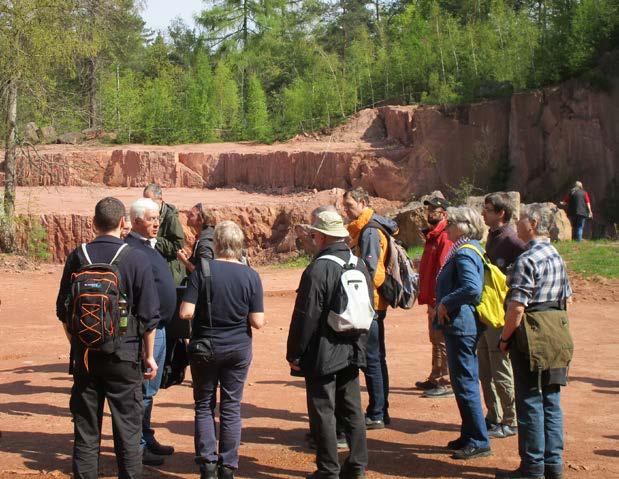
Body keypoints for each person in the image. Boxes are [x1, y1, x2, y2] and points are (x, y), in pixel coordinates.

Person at [55, 197, 160, 479]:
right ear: (123, 224)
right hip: (125, 356)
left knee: (86, 431)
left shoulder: (79, 256)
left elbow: (63, 311)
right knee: (128, 430)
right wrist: (149, 356)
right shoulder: (135, 257)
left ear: (93, 223)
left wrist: (79, 347)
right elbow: (149, 316)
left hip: (86, 357)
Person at [179, 221, 265, 479]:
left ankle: (207, 465)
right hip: (238, 348)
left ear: (216, 244)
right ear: (240, 246)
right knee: (231, 407)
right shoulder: (251, 276)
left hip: (205, 347)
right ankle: (228, 467)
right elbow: (258, 321)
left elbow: (186, 312)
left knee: (204, 405)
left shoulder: (202, 270)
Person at [286, 210, 369, 479]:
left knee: (323, 410)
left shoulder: (319, 268)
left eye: (313, 234)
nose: (311, 238)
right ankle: (356, 466)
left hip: (324, 350)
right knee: (353, 409)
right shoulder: (358, 263)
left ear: (321, 236)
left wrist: (295, 352)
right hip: (353, 345)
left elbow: (306, 316)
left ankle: (328, 470)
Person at [496, 204, 573, 479]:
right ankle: (553, 466)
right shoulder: (556, 255)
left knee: (529, 400)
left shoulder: (526, 260)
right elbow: (568, 297)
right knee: (551, 399)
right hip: (558, 331)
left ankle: (532, 468)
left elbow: (516, 307)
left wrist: (505, 339)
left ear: (534, 222)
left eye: (521, 219)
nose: (517, 223)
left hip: (531, 332)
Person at [125, 198, 178, 466]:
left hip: (160, 329)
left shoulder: (147, 246)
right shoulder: (132, 249)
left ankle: (147, 437)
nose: (156, 223)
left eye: (157, 218)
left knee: (150, 390)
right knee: (142, 390)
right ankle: (140, 446)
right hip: (148, 331)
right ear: (136, 221)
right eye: (151, 219)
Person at [436, 206, 491, 460]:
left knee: (466, 382)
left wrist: (446, 302)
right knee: (461, 381)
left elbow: (472, 288)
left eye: (450, 222)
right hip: (461, 323)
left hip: (461, 324)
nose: (445, 226)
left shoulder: (465, 253)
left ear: (464, 226)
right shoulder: (466, 249)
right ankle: (469, 434)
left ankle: (479, 440)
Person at [343, 187, 397, 429]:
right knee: (377, 358)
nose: (346, 210)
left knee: (372, 359)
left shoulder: (369, 232)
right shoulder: (366, 228)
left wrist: (359, 299)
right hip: (374, 303)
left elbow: (372, 272)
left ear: (363, 202)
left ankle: (376, 413)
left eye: (350, 205)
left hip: (371, 304)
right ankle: (380, 410)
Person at [479, 193, 526, 439]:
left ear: (501, 213)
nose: (483, 213)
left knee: (500, 368)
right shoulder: (493, 236)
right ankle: (493, 416)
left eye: (487, 209)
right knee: (484, 368)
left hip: (501, 314)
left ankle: (511, 419)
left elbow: (529, 261)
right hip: (486, 313)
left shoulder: (511, 240)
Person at [415, 196, 454, 398]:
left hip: (438, 300)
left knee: (441, 340)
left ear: (444, 214)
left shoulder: (444, 237)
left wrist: (436, 302)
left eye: (435, 210)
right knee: (435, 338)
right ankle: (435, 376)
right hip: (432, 298)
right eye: (429, 210)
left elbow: (442, 271)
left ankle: (445, 381)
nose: (430, 213)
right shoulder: (433, 236)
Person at [143, 183, 186, 284]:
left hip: (170, 270)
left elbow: (178, 245)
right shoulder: (150, 214)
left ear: (160, 199)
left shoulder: (170, 217)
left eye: (150, 201)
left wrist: (154, 240)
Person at [177, 202, 216, 273]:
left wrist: (184, 260)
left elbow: (203, 273)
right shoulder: (204, 235)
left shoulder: (205, 243)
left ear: (200, 220)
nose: (187, 216)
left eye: (191, 215)